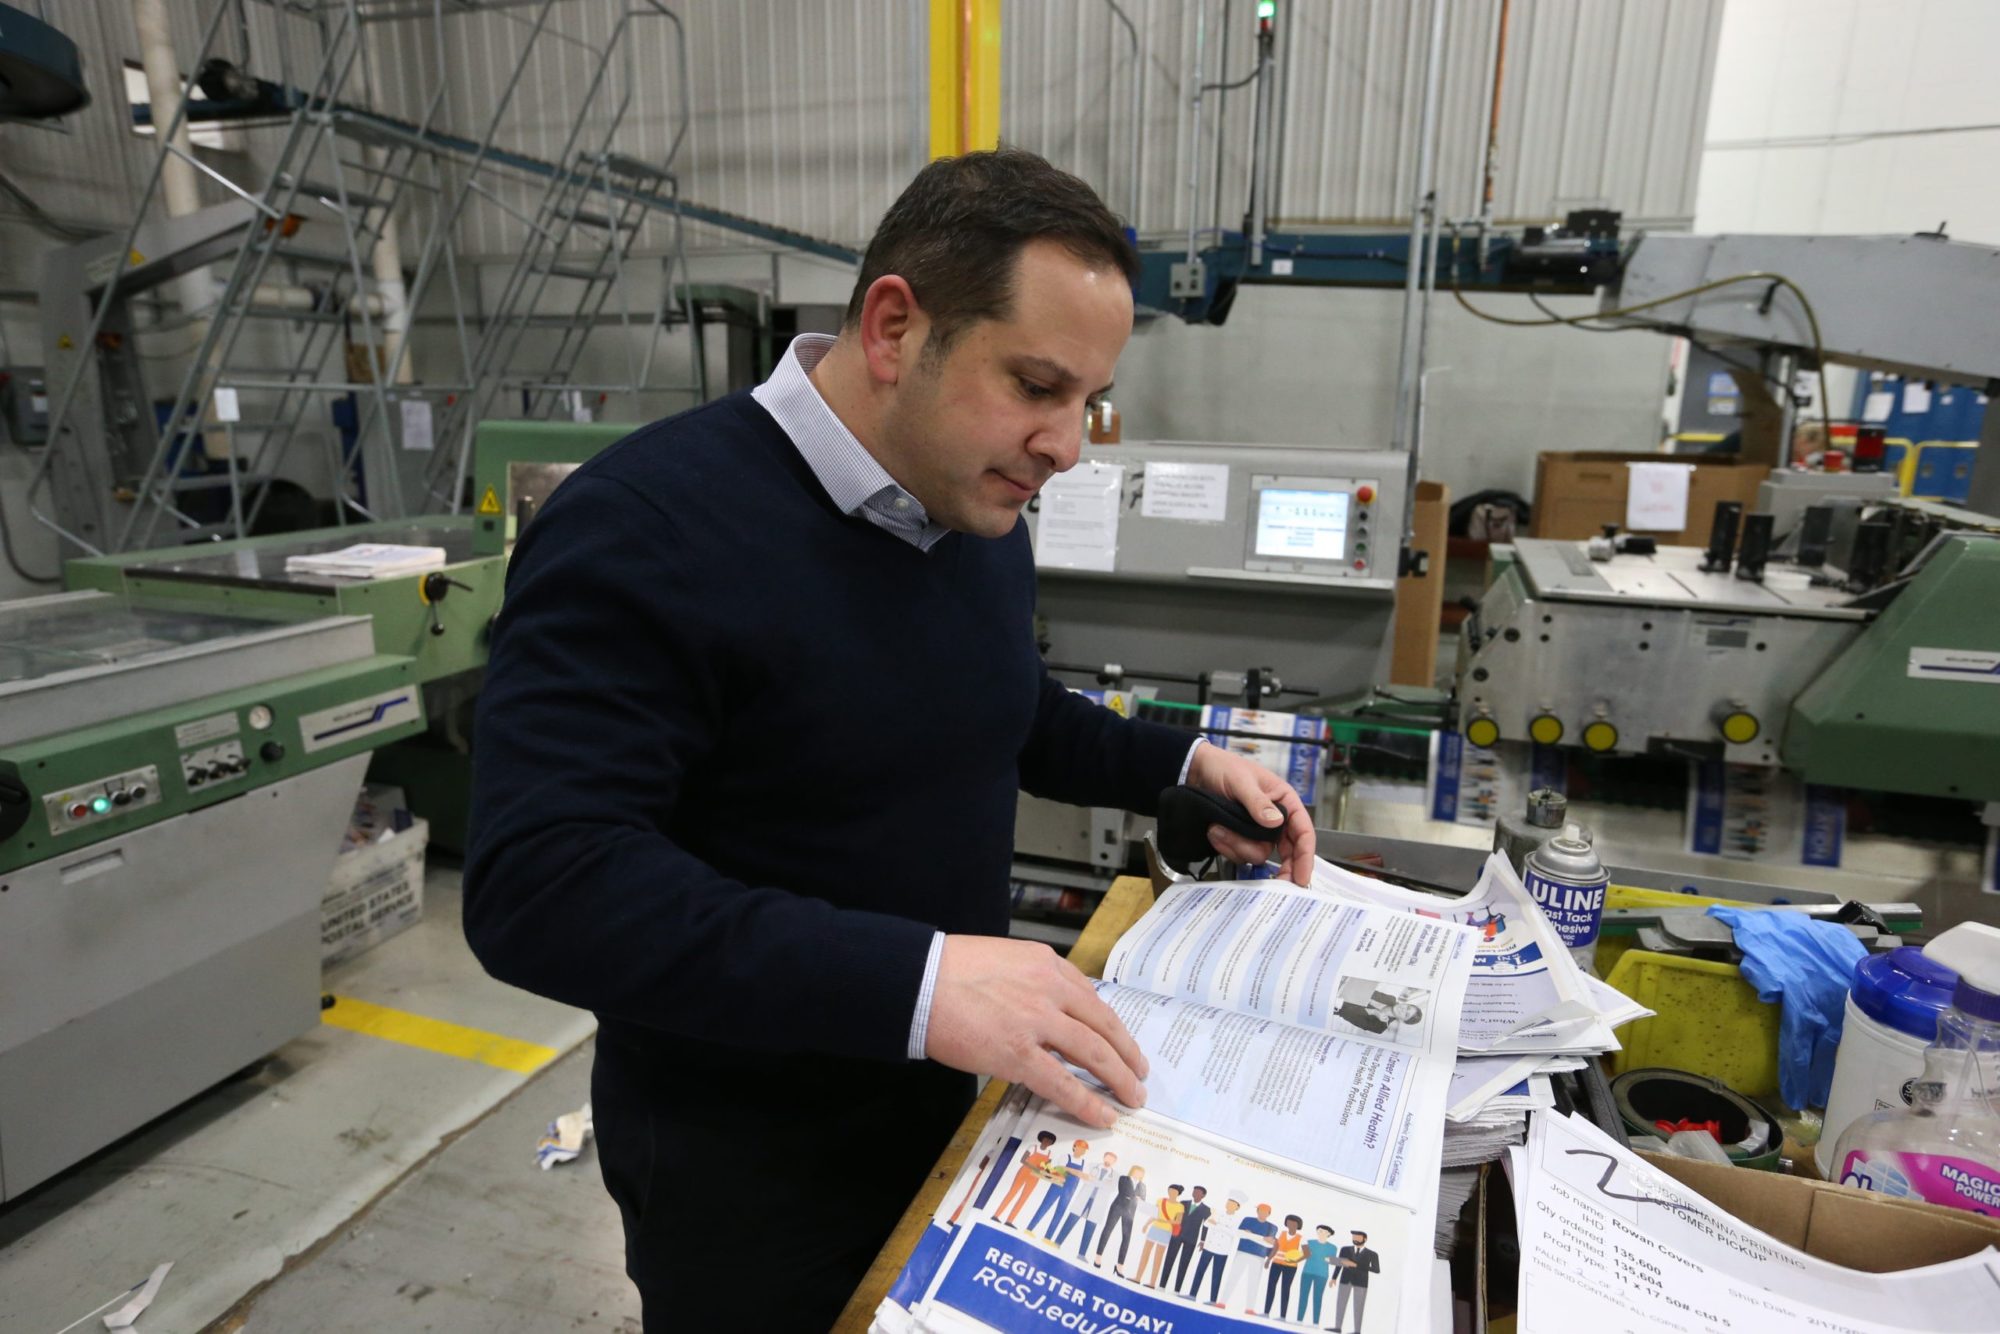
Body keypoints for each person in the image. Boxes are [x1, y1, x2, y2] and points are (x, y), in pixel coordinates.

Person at [461, 147, 1316, 1331]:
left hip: (941, 1095)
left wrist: (1174, 763)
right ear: (893, 328)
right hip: (746, 1170)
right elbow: (541, 883)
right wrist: (918, 980)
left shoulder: (968, 502)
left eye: (1085, 400)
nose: (1066, 445)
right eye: (1036, 385)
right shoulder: (644, 526)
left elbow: (1000, 706)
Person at [1187, 1190, 1244, 1307]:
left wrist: (1217, 1225)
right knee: (1199, 1271)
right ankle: (1192, 1295)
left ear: (1237, 1207)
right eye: (1228, 1202)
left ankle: (1213, 1300)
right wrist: (1220, 1225)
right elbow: (1207, 1224)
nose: (1229, 1205)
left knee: (1217, 1276)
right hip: (1209, 1246)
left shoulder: (1238, 1220)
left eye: (1232, 1203)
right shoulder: (1217, 1213)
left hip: (1222, 1250)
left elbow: (1233, 1232)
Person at [1055, 1151, 1118, 1255]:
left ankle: (1082, 1254)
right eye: (1107, 1158)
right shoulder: (1092, 1166)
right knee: (1071, 1220)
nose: (1108, 1161)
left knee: (1090, 1227)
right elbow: (1085, 1179)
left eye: (1111, 1160)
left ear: (1114, 1162)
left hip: (1098, 1203)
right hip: (1084, 1198)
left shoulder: (1115, 1175)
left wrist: (1094, 1180)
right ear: (1103, 1157)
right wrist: (1100, 1183)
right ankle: (1057, 1242)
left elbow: (1111, 1188)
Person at [1028, 1138, 1090, 1236]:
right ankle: (1029, 1229)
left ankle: (1048, 1236)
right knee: (1045, 1206)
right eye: (1080, 1148)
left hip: (1070, 1190)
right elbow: (1060, 1168)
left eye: (1084, 1150)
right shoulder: (1066, 1156)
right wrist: (1075, 1172)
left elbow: (1085, 1176)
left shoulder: (1084, 1162)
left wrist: (1073, 1171)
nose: (1082, 1151)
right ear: (1074, 1147)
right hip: (1057, 1185)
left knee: (1060, 1211)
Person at [1226, 1202, 1279, 1314]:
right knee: (1233, 1277)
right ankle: (1222, 1302)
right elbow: (1238, 1233)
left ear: (1269, 1214)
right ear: (1257, 1211)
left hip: (1258, 1257)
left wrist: (1251, 1236)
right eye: (1260, 1211)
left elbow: (1270, 1243)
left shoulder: (1272, 1227)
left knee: (1254, 1283)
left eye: (1265, 1212)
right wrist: (1255, 1236)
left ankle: (1250, 1308)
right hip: (1242, 1252)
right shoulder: (1248, 1220)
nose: (1262, 1213)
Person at [998, 1131, 1058, 1226]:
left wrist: (1052, 1173)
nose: (1047, 1142)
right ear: (1042, 1139)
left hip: (1035, 1177)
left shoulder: (1050, 1154)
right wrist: (1036, 1169)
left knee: (1024, 1197)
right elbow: (1023, 1160)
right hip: (1024, 1172)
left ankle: (1009, 1221)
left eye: (1050, 1141)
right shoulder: (1033, 1147)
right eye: (1046, 1139)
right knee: (1012, 1192)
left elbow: (1047, 1167)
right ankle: (997, 1215)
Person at [1094, 1165, 1147, 1271]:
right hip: (1117, 1207)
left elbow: (1143, 1199)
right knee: (1108, 1230)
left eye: (1140, 1173)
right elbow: (1124, 1192)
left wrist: (1135, 1197)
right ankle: (1098, 1256)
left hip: (1130, 1212)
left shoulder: (1142, 1185)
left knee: (1126, 1237)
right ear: (1132, 1171)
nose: (1138, 1174)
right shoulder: (1123, 1178)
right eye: (1136, 1171)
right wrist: (1135, 1197)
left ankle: (1120, 1265)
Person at [1133, 1183, 1183, 1286]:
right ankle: (1137, 1277)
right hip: (1154, 1228)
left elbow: (1178, 1221)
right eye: (1170, 1190)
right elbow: (1154, 1214)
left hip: (1166, 1231)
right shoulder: (1160, 1201)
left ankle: (1152, 1283)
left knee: (1158, 1258)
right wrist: (1147, 1224)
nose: (1171, 1193)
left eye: (1174, 1191)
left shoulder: (1180, 1206)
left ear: (1178, 1193)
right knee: (1145, 1253)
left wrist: (1165, 1221)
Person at [1163, 1183, 1209, 1292]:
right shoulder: (1183, 1203)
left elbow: (1205, 1226)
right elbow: (1175, 1217)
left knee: (1184, 1264)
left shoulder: (1206, 1209)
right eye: (1194, 1191)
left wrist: (1203, 1240)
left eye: (1198, 1192)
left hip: (1191, 1239)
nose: (1195, 1193)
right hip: (1177, 1235)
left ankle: (1177, 1289)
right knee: (1169, 1259)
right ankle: (1162, 1285)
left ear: (1203, 1195)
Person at [1333, 1230, 1381, 1333]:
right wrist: (1334, 1278)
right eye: (1354, 1237)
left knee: (1359, 1307)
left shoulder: (1372, 1254)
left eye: (1358, 1237)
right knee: (1340, 1304)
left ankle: (1357, 1331)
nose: (1355, 1239)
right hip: (1345, 1280)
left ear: (1365, 1239)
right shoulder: (1345, 1249)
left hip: (1361, 1283)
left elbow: (1376, 1270)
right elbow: (1339, 1263)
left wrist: (1356, 1265)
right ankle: (1337, 1327)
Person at [1298, 1224, 1340, 1326]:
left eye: (1324, 1232)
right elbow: (1302, 1255)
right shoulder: (1309, 1242)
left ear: (1329, 1234)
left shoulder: (1333, 1247)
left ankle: (1315, 1322)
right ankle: (1299, 1320)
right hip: (1307, 1272)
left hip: (1322, 1275)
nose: (1321, 1233)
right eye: (1319, 1231)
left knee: (1317, 1298)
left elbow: (1333, 1261)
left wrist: (1330, 1259)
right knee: (1303, 1296)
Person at [1264, 1213, 1305, 1318]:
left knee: (1285, 1289)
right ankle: (1266, 1312)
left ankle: (1282, 1316)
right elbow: (1275, 1248)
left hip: (1290, 1267)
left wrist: (1295, 1259)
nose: (1291, 1225)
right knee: (1271, 1287)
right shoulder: (1281, 1234)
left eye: (1294, 1223)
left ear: (1298, 1225)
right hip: (1276, 1263)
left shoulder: (1301, 1238)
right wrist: (1269, 1259)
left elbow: (1307, 1253)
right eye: (1289, 1223)